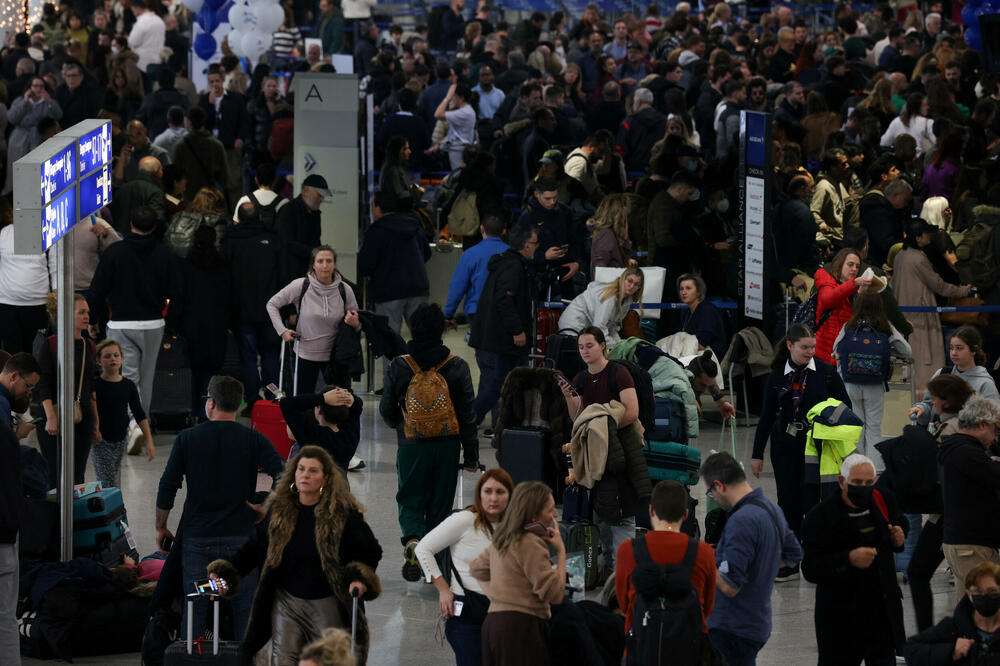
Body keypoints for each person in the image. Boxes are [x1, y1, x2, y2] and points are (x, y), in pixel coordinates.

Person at [206, 445, 381, 665]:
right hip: (287, 602)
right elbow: (255, 547)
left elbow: (369, 550)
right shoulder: (280, 511)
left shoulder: (342, 514)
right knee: (282, 658)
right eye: (301, 469)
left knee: (326, 660)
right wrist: (228, 573)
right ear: (293, 473)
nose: (305, 475)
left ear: (325, 478)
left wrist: (360, 577)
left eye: (313, 471)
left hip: (326, 601)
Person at [156, 375, 286, 641]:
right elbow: (284, 473)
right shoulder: (254, 439)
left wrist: (161, 526)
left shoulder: (188, 438)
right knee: (244, 608)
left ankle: (192, 657)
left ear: (211, 403)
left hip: (197, 540)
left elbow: (168, 485)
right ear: (238, 405)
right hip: (240, 540)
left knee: (195, 604)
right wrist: (265, 504)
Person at [380, 304, 478, 582]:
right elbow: (468, 415)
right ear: (442, 330)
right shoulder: (457, 365)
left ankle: (413, 539)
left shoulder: (399, 365)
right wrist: (470, 456)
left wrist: (401, 425)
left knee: (410, 499)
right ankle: (432, 563)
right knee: (440, 504)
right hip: (447, 446)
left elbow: (387, 411)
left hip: (411, 445)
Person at [801, 453, 908, 666]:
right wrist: (847, 559)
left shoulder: (882, 499)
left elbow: (901, 522)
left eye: (869, 483)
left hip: (881, 616)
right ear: (842, 482)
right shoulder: (820, 517)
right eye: (857, 483)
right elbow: (810, 568)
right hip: (840, 620)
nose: (863, 487)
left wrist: (899, 535)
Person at [751, 324, 850, 553]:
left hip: (815, 447)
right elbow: (766, 417)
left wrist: (825, 424)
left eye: (813, 347)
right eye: (804, 347)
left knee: (811, 501)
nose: (810, 352)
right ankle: (791, 553)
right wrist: (757, 454)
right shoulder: (776, 375)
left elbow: (845, 406)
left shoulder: (826, 372)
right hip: (784, 446)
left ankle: (814, 550)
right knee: (787, 501)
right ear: (789, 346)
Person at [702, 452, 801, 666]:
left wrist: (702, 560)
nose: (714, 499)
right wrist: (761, 568)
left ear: (719, 485)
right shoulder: (772, 508)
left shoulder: (741, 521)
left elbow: (730, 585)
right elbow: (794, 555)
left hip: (731, 627)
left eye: (711, 492)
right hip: (756, 622)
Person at [562, 326, 648, 570]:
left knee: (622, 510)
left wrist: (601, 429)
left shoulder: (619, 373)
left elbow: (631, 411)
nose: (585, 351)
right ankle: (609, 566)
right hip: (595, 456)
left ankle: (622, 569)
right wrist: (569, 397)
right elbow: (577, 418)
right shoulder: (580, 378)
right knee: (600, 509)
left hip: (620, 450)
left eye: (589, 345)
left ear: (602, 345)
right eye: (581, 347)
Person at [414, 469, 514, 666]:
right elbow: (423, 549)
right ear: (479, 494)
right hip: (467, 615)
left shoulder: (513, 525)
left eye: (500, 492)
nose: (493, 498)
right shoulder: (465, 520)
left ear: (510, 495)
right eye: (488, 491)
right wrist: (443, 589)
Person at [468, 481, 566, 666]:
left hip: (493, 625)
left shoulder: (503, 539)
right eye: (550, 510)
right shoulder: (531, 544)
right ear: (534, 515)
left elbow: (476, 568)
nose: (555, 515)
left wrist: (499, 598)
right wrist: (561, 552)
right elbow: (555, 594)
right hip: (521, 629)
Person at [907, 373, 975, 632]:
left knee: (920, 572)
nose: (931, 403)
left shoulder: (951, 430)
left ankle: (931, 632)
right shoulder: (952, 424)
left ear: (945, 401)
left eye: (933, 398)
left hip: (948, 515)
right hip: (949, 514)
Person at [615, 480, 717, 636]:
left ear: (650, 511)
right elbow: (708, 607)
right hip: (689, 646)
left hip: (642, 645)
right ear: (686, 514)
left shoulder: (627, 550)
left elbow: (623, 603)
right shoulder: (705, 553)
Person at [266, 245, 361, 396]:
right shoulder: (301, 285)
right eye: (320, 261)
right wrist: (282, 331)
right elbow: (272, 304)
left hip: (334, 356)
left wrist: (355, 324)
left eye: (329, 261)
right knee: (304, 401)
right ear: (313, 265)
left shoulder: (344, 289)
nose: (325, 265)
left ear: (334, 264)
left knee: (337, 403)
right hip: (305, 354)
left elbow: (357, 321)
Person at [891, 219, 972, 392]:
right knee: (925, 361)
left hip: (904, 315)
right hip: (921, 316)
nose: (930, 236)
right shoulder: (918, 259)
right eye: (927, 233)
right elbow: (938, 285)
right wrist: (963, 291)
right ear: (919, 237)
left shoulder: (900, 255)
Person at [832, 291, 911, 468]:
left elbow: (834, 349)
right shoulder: (885, 327)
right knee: (874, 427)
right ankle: (873, 470)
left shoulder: (848, 326)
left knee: (856, 428)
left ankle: (855, 468)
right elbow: (907, 350)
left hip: (850, 383)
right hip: (875, 384)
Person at [357, 189, 431, 374]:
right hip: (418, 287)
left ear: (378, 208)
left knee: (390, 339)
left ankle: (395, 384)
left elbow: (365, 264)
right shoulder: (414, 225)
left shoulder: (377, 230)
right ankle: (424, 381)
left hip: (388, 291)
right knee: (423, 337)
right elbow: (427, 253)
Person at [468, 225, 536, 424]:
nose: (536, 247)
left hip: (503, 337)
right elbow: (503, 300)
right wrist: (517, 330)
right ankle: (469, 420)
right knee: (499, 385)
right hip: (507, 339)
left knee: (512, 382)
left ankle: (510, 424)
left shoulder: (509, 262)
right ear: (526, 246)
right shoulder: (513, 266)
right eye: (534, 243)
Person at [166, 225, 233, 419]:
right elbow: (230, 298)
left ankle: (193, 410)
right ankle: (206, 411)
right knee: (211, 372)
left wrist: (172, 325)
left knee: (192, 371)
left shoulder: (185, 266)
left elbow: (178, 297)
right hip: (216, 326)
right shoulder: (224, 267)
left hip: (191, 326)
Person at [223, 201, 284, 413]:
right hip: (270, 311)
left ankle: (251, 401)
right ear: (259, 217)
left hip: (242, 312)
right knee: (270, 356)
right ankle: (273, 396)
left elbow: (227, 280)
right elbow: (281, 276)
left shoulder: (230, 241)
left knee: (248, 359)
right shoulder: (273, 239)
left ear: (238, 219)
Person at [0, 353, 40, 666]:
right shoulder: (1, 408)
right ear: (13, 376)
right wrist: (17, 436)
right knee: (4, 617)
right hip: (4, 526)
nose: (29, 395)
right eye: (28, 387)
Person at [938, 395, 1000, 596]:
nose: (996, 438)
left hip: (968, 543)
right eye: (995, 430)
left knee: (969, 606)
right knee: (983, 608)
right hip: (971, 546)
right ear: (982, 424)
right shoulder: (965, 452)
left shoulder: (959, 448)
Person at [36, 293, 97, 485]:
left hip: (83, 413)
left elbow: (90, 386)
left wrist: (96, 422)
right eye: (81, 312)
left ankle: (75, 515)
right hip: (54, 411)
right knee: (55, 473)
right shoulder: (51, 344)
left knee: (78, 474)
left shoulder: (89, 345)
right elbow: (43, 383)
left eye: (87, 312)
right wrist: (51, 418)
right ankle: (55, 515)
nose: (87, 316)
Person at [904, 561, 1000, 664]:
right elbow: (911, 649)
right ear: (968, 594)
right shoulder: (953, 628)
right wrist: (950, 651)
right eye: (978, 591)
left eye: (992, 591)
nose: (985, 596)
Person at [92, 338, 153, 488]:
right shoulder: (95, 385)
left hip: (120, 440)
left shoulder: (128, 385)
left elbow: (139, 414)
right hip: (101, 441)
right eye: (107, 356)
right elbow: (90, 410)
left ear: (122, 359)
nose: (113, 359)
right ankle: (115, 510)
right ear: (99, 361)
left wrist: (149, 440)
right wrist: (94, 429)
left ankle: (112, 509)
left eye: (116, 355)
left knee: (113, 481)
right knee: (108, 482)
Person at [910, 325, 1000, 425]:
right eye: (951, 348)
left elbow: (994, 419)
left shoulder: (985, 383)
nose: (953, 353)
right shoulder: (942, 374)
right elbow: (928, 404)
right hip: (936, 436)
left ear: (973, 350)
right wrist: (921, 409)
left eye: (959, 348)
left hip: (966, 438)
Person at [0, 194, 52, 355]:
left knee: (36, 353)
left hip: (37, 304)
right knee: (12, 353)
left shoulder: (46, 233)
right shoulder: (4, 233)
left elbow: (55, 266)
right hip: (7, 304)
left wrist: (56, 292)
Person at [443, 213, 508, 326]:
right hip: (506, 311)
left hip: (477, 311)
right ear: (504, 231)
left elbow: (457, 286)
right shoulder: (512, 254)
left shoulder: (470, 254)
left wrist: (448, 314)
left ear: (481, 228)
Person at [280, 386, 362, 474]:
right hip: (340, 486)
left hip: (314, 486)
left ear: (319, 409)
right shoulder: (350, 436)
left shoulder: (313, 436)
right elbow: (357, 406)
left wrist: (323, 398)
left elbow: (286, 403)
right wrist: (350, 397)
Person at [557, 268, 643, 347]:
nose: (631, 286)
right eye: (629, 281)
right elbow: (599, 328)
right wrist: (617, 347)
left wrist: (620, 345)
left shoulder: (627, 300)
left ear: (639, 288)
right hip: (572, 328)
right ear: (623, 279)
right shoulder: (609, 297)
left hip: (587, 330)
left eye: (636, 284)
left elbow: (612, 327)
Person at [813, 247, 869, 364]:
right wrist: (853, 284)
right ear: (840, 264)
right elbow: (828, 299)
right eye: (850, 264)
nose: (854, 269)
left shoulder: (856, 289)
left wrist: (862, 294)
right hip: (823, 353)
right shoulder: (826, 278)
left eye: (857, 266)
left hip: (844, 354)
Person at [275, 174, 329, 279]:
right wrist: (313, 251)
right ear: (306, 191)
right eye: (319, 195)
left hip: (307, 273)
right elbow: (286, 242)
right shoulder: (289, 210)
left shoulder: (315, 214)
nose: (322, 199)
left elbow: (316, 241)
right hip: (288, 272)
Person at [677, 273, 727, 355]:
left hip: (710, 359)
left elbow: (701, 345)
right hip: (693, 355)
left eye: (688, 288)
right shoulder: (687, 312)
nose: (683, 292)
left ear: (698, 292)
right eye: (681, 289)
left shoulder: (707, 311)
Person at [587, 193, 636, 277]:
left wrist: (626, 260)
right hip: (610, 287)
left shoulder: (609, 234)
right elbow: (600, 270)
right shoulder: (606, 234)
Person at [378, 136, 424, 214]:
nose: (409, 151)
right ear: (398, 151)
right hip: (398, 212)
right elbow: (399, 195)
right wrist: (417, 192)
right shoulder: (393, 170)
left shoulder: (396, 167)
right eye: (406, 149)